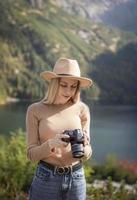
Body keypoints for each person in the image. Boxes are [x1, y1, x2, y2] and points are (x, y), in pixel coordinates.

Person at [26, 57, 93, 200]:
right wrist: (51, 144)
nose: (69, 91)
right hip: (46, 179)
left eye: (73, 86)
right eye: (64, 85)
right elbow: (31, 155)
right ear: (54, 83)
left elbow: (88, 153)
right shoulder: (35, 110)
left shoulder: (82, 110)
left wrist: (84, 147)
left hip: (77, 178)